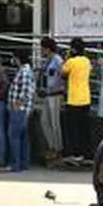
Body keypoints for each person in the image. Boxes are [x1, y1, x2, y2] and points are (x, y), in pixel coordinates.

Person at [62, 39, 93, 164]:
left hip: (73, 100)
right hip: (85, 99)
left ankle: (76, 154)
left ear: (73, 49)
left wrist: (67, 57)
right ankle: (87, 154)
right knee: (84, 128)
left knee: (73, 129)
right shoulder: (87, 61)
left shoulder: (70, 62)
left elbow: (62, 73)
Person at [5, 50, 34, 173]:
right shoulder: (24, 70)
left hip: (19, 109)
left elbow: (25, 92)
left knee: (14, 137)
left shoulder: (25, 71)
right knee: (22, 137)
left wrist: (17, 105)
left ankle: (16, 164)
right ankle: (23, 163)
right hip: (20, 109)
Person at [38, 37, 65, 165]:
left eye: (42, 48)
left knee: (55, 123)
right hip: (47, 94)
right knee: (44, 121)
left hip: (56, 94)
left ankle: (58, 149)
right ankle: (51, 145)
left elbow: (62, 77)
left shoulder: (58, 60)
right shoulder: (48, 60)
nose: (41, 51)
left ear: (47, 48)